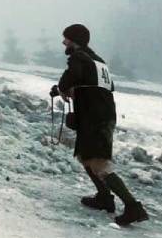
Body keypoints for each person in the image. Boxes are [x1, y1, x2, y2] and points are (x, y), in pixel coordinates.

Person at [56, 24, 148, 227]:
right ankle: (104, 197)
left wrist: (63, 88)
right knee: (86, 156)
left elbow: (67, 81)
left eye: (67, 39)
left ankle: (133, 207)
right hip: (103, 115)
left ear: (75, 41)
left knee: (99, 163)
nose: (64, 42)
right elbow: (105, 86)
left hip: (93, 118)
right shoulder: (99, 62)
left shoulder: (79, 58)